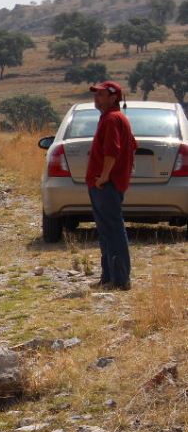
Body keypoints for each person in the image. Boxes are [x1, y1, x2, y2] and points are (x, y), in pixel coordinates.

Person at [85, 81, 137, 290]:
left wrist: (104, 176)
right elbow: (133, 144)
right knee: (106, 231)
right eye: (96, 94)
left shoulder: (112, 119)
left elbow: (112, 151)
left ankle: (120, 280)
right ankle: (108, 277)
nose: (96, 98)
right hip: (108, 184)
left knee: (113, 230)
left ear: (113, 97)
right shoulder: (113, 118)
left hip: (106, 185)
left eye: (101, 95)